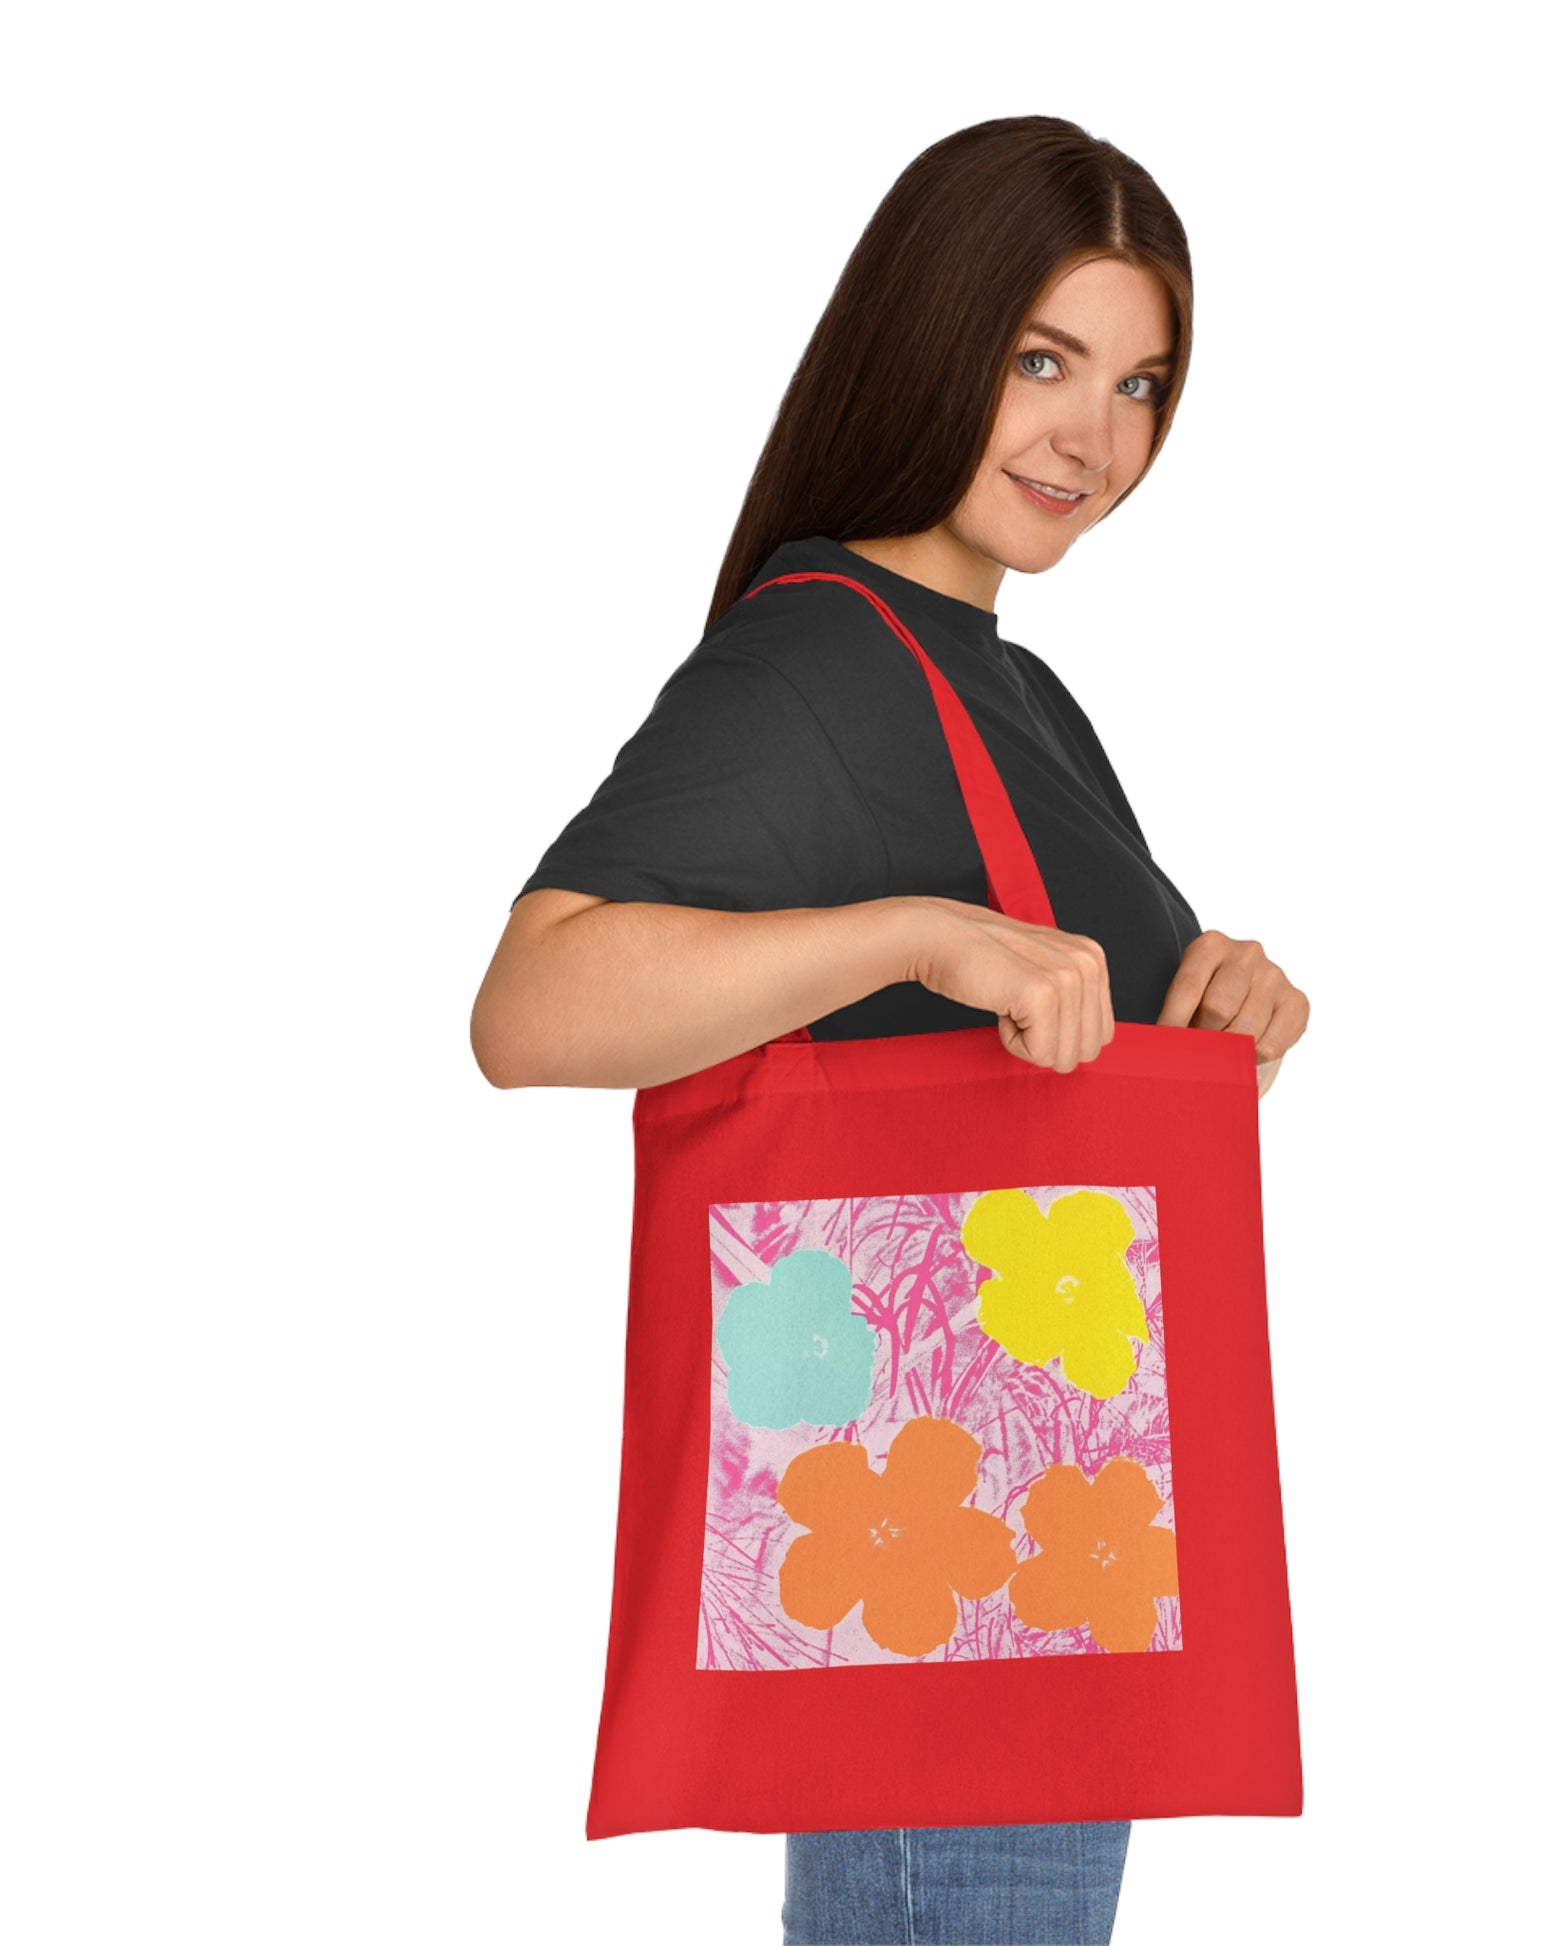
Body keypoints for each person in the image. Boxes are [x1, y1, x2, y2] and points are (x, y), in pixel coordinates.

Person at [471, 113, 1309, 1946]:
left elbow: (1063, 1067)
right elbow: (530, 1006)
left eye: (1140, 381)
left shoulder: (1010, 688)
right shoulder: (821, 656)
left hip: (1046, 1571)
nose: (1094, 436)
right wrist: (925, 934)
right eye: (1040, 361)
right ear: (926, 337)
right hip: (966, 1607)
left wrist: (1219, 1003)